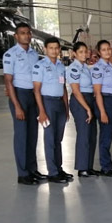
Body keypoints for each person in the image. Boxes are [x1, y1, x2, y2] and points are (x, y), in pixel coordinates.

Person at [3, 22, 45, 185]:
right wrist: (17, 106)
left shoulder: (34, 54)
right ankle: (23, 174)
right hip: (19, 95)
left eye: (28, 33)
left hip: (33, 95)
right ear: (16, 36)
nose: (26, 36)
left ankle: (32, 169)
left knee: (32, 135)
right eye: (22, 33)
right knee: (21, 136)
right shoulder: (10, 55)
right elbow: (8, 81)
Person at [32, 37, 71, 183]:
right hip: (47, 103)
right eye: (51, 48)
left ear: (59, 49)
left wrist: (66, 108)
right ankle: (52, 172)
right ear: (45, 49)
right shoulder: (40, 66)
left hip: (60, 103)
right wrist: (41, 111)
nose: (54, 51)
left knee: (58, 139)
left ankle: (59, 169)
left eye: (56, 48)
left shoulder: (61, 66)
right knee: (49, 138)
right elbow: (36, 90)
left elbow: (63, 87)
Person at [67, 41, 99, 178]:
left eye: (85, 51)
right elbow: (76, 91)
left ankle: (89, 166)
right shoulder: (74, 68)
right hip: (80, 102)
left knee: (92, 135)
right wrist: (87, 108)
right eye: (80, 52)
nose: (84, 54)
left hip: (89, 99)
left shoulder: (85, 67)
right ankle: (82, 168)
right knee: (84, 135)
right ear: (74, 53)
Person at [92, 40, 112, 177]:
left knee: (109, 135)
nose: (107, 51)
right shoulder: (98, 68)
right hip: (105, 101)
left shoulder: (109, 66)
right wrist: (102, 112)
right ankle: (105, 167)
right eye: (104, 50)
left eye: (108, 49)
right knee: (106, 135)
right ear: (99, 52)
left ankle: (109, 164)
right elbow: (97, 92)